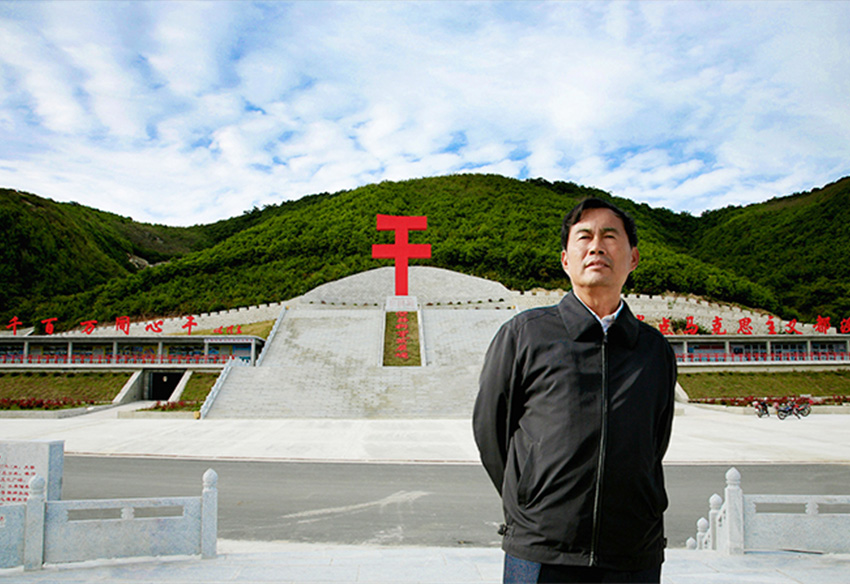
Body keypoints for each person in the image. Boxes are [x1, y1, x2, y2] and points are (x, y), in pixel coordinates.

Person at [473, 197, 677, 584]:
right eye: (584, 236)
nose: (597, 246)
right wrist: (530, 502)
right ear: (566, 260)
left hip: (633, 550)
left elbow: (655, 440)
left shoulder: (654, 350)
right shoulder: (525, 335)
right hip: (541, 549)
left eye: (610, 236)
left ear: (633, 258)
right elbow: (491, 431)